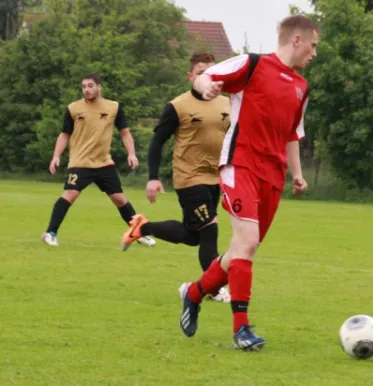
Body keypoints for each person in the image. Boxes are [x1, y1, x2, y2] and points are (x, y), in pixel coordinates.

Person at [176, 14, 318, 351]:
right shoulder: (253, 64)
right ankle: (242, 329)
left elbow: (292, 135)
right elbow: (207, 76)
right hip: (239, 165)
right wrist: (205, 86)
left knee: (242, 248)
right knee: (247, 241)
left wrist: (296, 174)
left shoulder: (302, 87)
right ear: (295, 40)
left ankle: (193, 293)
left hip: (272, 176)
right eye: (312, 45)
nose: (314, 53)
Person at [120, 52, 231, 303]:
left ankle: (142, 227)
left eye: (212, 72)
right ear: (190, 76)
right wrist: (153, 176)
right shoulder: (178, 106)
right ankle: (213, 288)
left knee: (192, 237)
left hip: (216, 179)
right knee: (209, 230)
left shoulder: (227, 103)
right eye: (201, 72)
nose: (207, 77)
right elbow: (158, 141)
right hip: (189, 178)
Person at [41, 74, 156, 248]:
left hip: (103, 163)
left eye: (90, 86)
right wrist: (56, 156)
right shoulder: (73, 109)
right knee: (70, 194)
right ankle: (50, 233)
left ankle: (137, 233)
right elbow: (65, 134)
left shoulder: (113, 107)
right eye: (83, 86)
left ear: (99, 87)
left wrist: (131, 154)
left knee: (120, 199)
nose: (86, 89)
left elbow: (125, 132)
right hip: (80, 162)